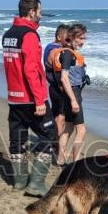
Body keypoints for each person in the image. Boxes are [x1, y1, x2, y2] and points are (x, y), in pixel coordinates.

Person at [2, 0, 56, 197]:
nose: (41, 15)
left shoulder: (8, 34)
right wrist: (39, 100)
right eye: (40, 11)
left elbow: (12, 67)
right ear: (32, 12)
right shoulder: (30, 35)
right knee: (49, 135)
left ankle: (19, 182)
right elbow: (31, 69)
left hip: (14, 97)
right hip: (31, 98)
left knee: (17, 138)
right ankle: (36, 184)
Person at [55, 23, 89, 164]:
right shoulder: (68, 54)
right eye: (80, 38)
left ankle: (60, 160)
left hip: (70, 94)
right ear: (71, 37)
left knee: (68, 127)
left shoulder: (68, 52)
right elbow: (64, 78)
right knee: (81, 130)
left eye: (84, 38)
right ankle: (76, 164)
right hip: (73, 94)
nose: (82, 41)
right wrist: (74, 100)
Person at [44, 24, 69, 154]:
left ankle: (52, 143)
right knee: (61, 118)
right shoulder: (56, 52)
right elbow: (59, 74)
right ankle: (58, 148)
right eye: (67, 38)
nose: (69, 40)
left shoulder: (49, 47)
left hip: (52, 87)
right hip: (59, 89)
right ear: (59, 37)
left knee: (55, 116)